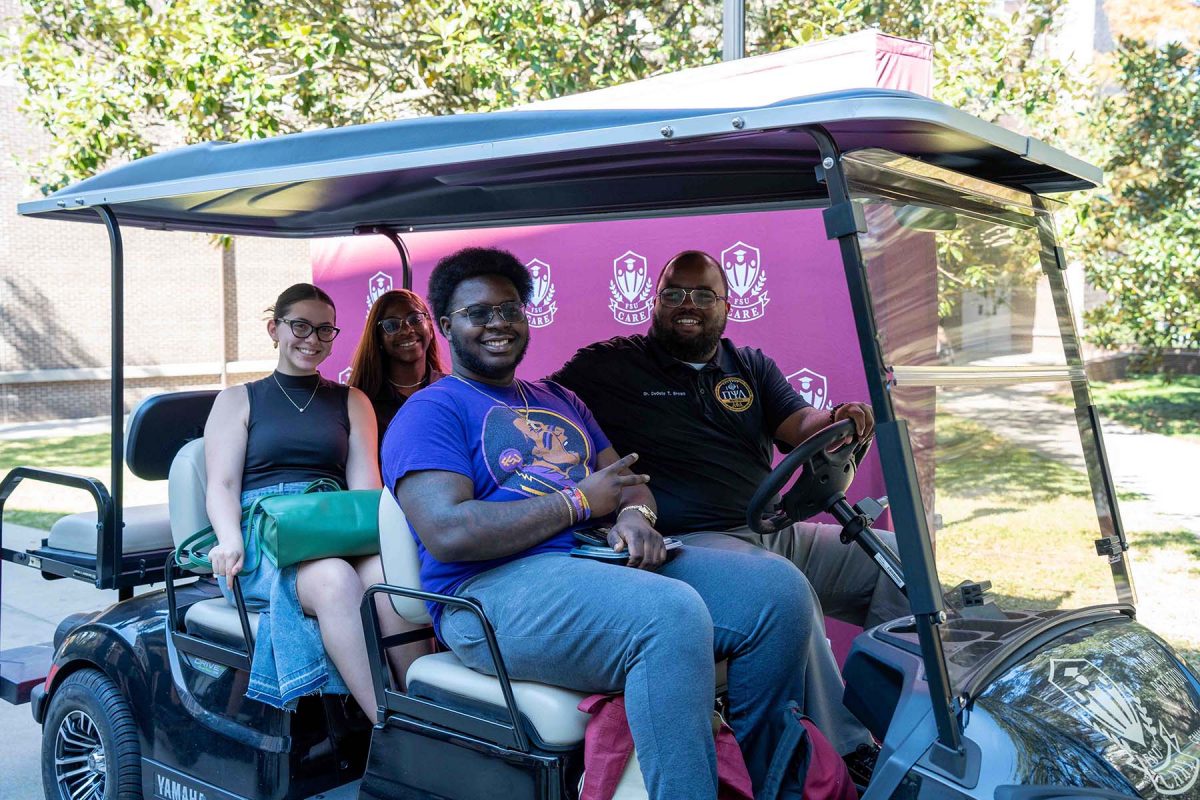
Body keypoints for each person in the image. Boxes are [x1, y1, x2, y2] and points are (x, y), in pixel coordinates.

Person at [384, 247, 818, 799]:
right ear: (447, 325)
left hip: (591, 564)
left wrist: (636, 516)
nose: (498, 323)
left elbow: (630, 482)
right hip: (488, 595)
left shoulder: (559, 398)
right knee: (668, 614)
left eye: (511, 309)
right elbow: (449, 532)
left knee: (778, 592)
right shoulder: (431, 410)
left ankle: (765, 785)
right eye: (479, 313)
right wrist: (576, 503)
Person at [551, 249, 910, 761]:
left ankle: (908, 727)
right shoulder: (609, 364)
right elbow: (543, 407)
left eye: (702, 294)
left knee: (896, 562)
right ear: (653, 303)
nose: (686, 304)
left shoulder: (750, 366)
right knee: (785, 591)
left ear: (726, 304)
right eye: (673, 293)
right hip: (690, 545)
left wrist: (837, 417)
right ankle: (847, 754)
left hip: (770, 530)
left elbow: (800, 426)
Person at [203, 282, 409, 714]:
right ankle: (390, 724)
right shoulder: (238, 400)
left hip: (330, 526)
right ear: (273, 328)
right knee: (334, 579)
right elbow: (221, 485)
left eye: (324, 330)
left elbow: (365, 490)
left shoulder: (352, 401)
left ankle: (425, 706)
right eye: (300, 326)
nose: (312, 340)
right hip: (260, 536)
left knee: (391, 577)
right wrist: (228, 539)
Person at [348, 288, 446, 444]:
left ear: (431, 328)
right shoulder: (362, 401)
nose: (407, 330)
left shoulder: (452, 390)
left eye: (415, 319)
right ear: (378, 338)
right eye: (392, 325)